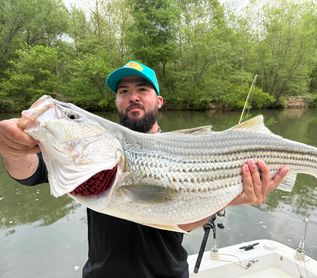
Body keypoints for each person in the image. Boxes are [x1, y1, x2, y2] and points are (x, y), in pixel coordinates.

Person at [0, 60, 289, 278]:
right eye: (123, 91)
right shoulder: (86, 155)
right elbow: (28, 172)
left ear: (159, 101)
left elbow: (184, 223)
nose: (132, 96)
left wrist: (234, 197)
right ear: (116, 101)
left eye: (142, 89)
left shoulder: (185, 149)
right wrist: (12, 148)